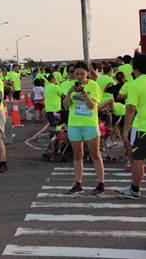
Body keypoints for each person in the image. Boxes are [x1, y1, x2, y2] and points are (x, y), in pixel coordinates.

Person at [62, 61, 104, 195]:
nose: (79, 76)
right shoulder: (69, 85)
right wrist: (69, 93)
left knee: (95, 154)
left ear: (87, 73)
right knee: (78, 155)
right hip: (74, 124)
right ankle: (78, 183)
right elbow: (65, 105)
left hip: (90, 124)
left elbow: (92, 106)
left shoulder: (94, 85)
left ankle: (101, 184)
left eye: (82, 73)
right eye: (76, 74)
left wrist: (84, 93)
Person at [118, 53, 146, 199]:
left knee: (138, 160)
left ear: (135, 68)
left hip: (143, 127)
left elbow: (131, 109)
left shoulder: (135, 84)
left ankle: (134, 190)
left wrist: (125, 131)